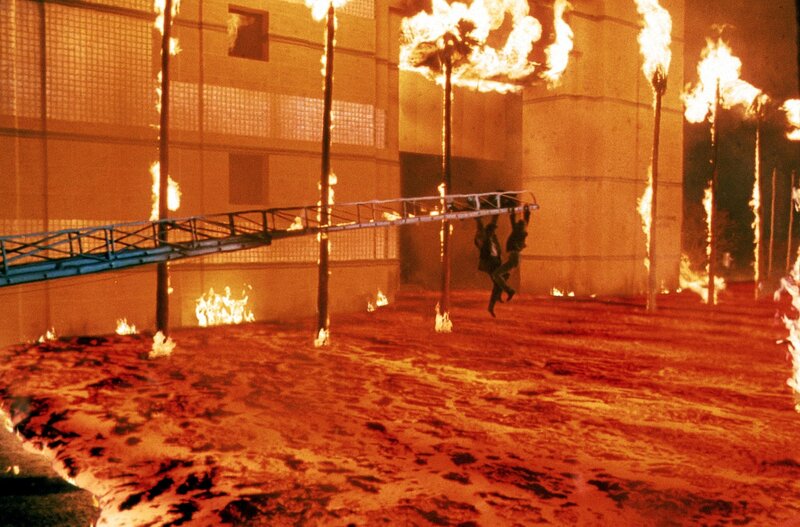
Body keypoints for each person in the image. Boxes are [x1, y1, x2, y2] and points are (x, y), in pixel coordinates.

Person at [492, 205, 532, 302]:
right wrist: (526, 212)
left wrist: (515, 213)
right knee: (497, 275)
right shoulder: (520, 232)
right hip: (514, 257)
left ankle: (508, 291)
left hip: (514, 257)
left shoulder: (519, 232)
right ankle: (507, 291)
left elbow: (517, 222)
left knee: (497, 274)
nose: (516, 224)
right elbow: (522, 222)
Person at [474, 215, 504, 317]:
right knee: (499, 281)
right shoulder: (484, 239)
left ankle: (495, 300)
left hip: (496, 262)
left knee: (500, 281)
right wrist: (478, 220)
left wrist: (496, 216)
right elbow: (480, 228)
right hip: (490, 263)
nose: (493, 232)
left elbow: (493, 224)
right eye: (492, 231)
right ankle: (491, 306)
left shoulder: (493, 238)